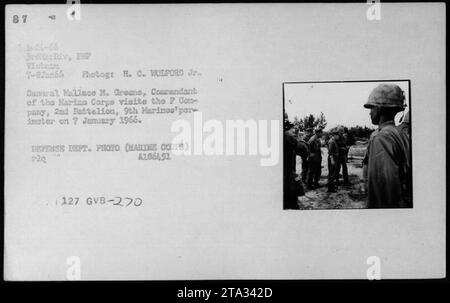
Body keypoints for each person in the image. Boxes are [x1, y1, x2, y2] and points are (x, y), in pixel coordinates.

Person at [362, 84, 411, 208]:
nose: (369, 113)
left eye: (371, 108)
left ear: (378, 109)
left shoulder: (381, 137)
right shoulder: (401, 134)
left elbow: (384, 188)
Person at [284, 122, 308, 209]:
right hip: (288, 173)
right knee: (292, 194)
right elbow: (304, 151)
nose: (294, 130)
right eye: (292, 128)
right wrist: (297, 139)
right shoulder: (287, 136)